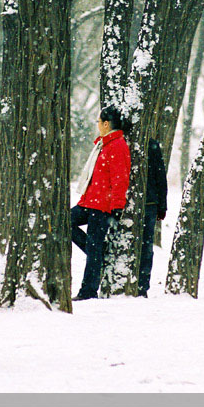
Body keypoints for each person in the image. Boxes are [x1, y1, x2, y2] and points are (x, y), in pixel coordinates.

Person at [70, 105, 131, 301]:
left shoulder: (117, 145)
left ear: (106, 123)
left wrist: (117, 207)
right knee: (64, 222)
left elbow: (120, 178)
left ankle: (88, 291)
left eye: (98, 122)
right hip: (88, 202)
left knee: (94, 250)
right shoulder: (103, 144)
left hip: (102, 206)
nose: (97, 125)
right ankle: (98, 252)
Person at [138, 137, 168, 297]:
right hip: (150, 201)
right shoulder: (151, 144)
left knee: (145, 246)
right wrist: (162, 205)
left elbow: (160, 175)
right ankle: (142, 286)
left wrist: (162, 205)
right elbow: (161, 176)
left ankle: (141, 285)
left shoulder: (129, 141)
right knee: (146, 246)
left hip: (147, 202)